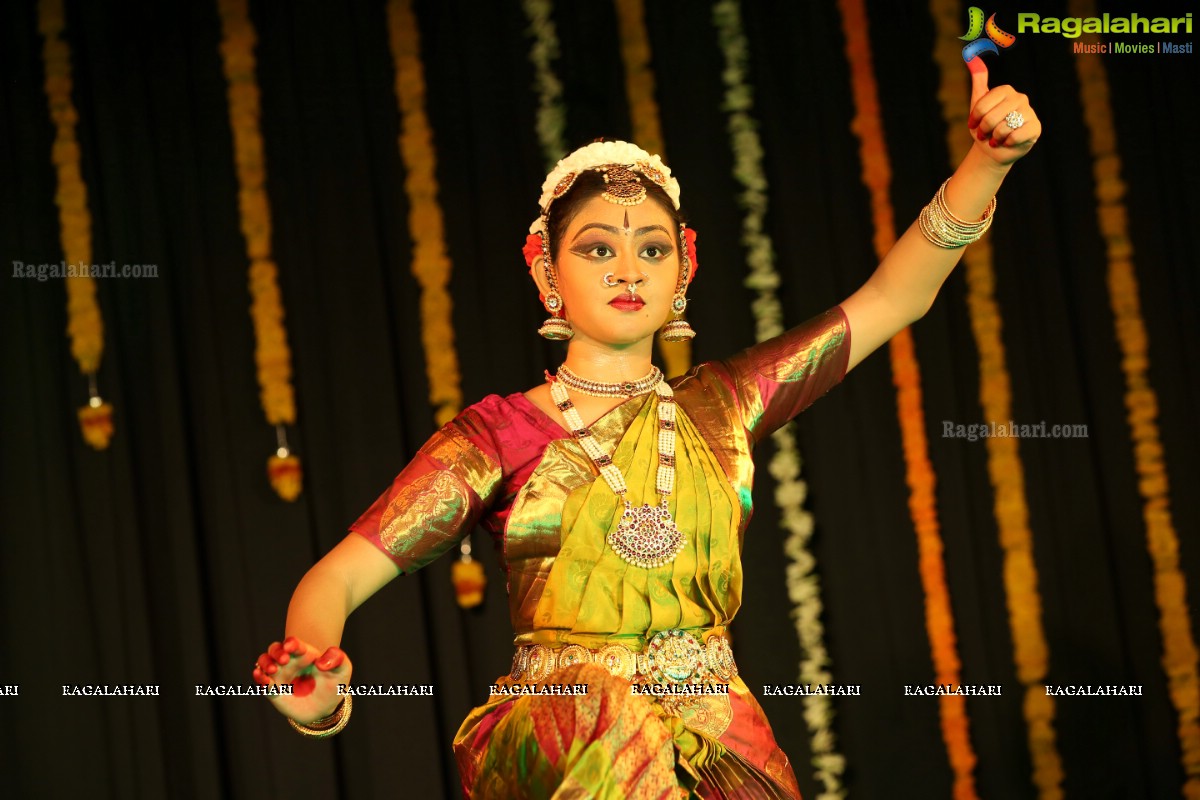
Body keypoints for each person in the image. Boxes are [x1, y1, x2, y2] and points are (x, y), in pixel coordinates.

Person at [253, 64, 1039, 798]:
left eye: (651, 249)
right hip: (566, 731)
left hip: (722, 731)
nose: (628, 270)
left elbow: (893, 300)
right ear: (546, 274)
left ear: (683, 269)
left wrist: (987, 164)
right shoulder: (498, 435)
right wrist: (312, 689)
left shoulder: (725, 404)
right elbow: (337, 580)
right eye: (598, 248)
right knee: (606, 716)